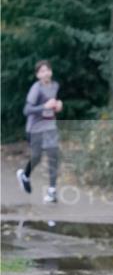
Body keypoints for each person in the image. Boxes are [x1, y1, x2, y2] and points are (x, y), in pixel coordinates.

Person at [16, 60, 63, 203]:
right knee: (36, 156)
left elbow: (53, 104)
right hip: (35, 128)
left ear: (51, 72)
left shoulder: (55, 86)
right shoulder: (36, 88)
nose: (46, 73)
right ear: (37, 75)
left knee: (53, 156)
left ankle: (52, 191)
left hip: (50, 127)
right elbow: (27, 110)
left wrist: (58, 105)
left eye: (48, 69)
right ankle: (25, 174)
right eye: (42, 71)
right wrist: (44, 106)